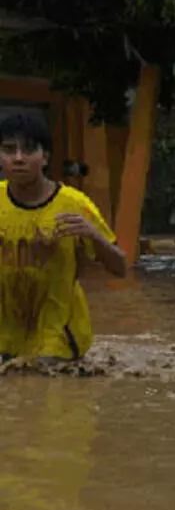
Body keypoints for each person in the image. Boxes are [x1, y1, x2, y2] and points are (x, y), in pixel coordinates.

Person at [0, 113, 127, 363]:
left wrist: (93, 235)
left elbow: (121, 268)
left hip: (58, 332)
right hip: (6, 332)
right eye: (9, 150)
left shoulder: (75, 205)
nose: (18, 158)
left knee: (44, 385)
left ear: (45, 157)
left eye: (28, 150)